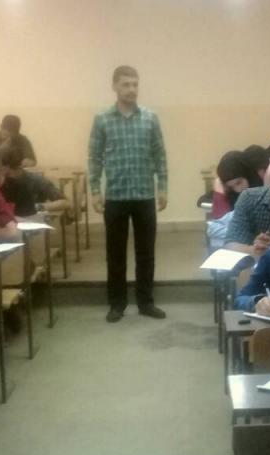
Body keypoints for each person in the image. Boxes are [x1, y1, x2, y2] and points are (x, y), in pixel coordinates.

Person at [88, 65, 169, 323]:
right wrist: (94, 191)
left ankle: (146, 302)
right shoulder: (102, 119)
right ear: (115, 86)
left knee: (146, 254)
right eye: (126, 84)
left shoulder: (150, 118)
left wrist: (163, 186)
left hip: (144, 195)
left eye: (135, 84)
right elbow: (94, 157)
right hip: (115, 197)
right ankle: (117, 304)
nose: (131, 89)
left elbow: (159, 154)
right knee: (115, 254)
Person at [0, 146, 69, 218]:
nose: (4, 177)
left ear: (20, 167)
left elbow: (65, 202)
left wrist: (36, 207)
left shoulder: (36, 180)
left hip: (31, 219)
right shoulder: (0, 181)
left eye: (8, 174)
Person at [210, 150, 262, 220]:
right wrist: (220, 194)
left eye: (239, 183)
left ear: (247, 174)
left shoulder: (263, 190)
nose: (237, 190)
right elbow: (223, 222)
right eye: (231, 187)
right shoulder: (227, 192)